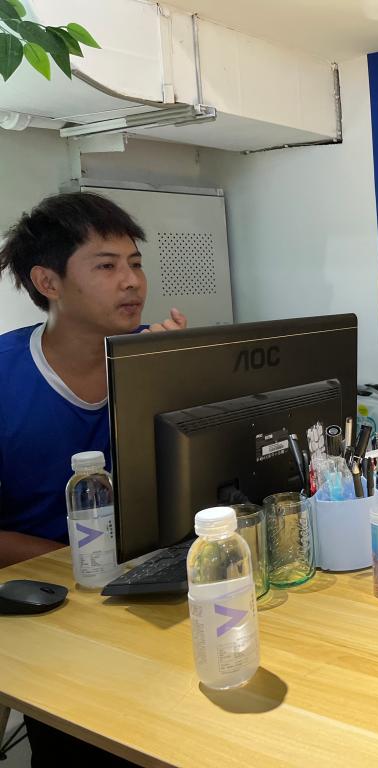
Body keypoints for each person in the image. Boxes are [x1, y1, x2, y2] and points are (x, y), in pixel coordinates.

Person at [0, 192, 188, 764]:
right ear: (48, 282)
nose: (131, 281)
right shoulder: (5, 376)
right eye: (106, 266)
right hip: (41, 602)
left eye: (135, 263)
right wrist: (86, 567)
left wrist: (168, 378)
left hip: (149, 595)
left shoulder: (157, 355)